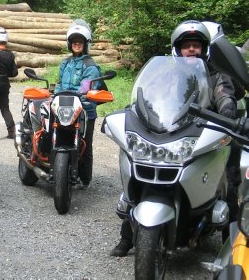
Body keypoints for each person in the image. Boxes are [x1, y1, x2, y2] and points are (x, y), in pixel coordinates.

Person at [110, 20, 239, 257]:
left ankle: (230, 244)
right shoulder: (168, 73)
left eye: (196, 45)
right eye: (186, 46)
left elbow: (225, 97)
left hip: (203, 134)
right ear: (177, 49)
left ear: (204, 49)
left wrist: (228, 115)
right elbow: (149, 95)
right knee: (143, 177)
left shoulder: (217, 74)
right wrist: (135, 110)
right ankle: (127, 236)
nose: (191, 49)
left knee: (231, 182)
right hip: (171, 132)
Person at [55, 19, 101, 187]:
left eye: (80, 42)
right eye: (74, 42)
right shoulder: (65, 63)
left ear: (85, 44)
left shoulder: (90, 65)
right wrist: (55, 95)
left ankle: (85, 178)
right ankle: (57, 167)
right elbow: (59, 83)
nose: (77, 44)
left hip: (84, 109)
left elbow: (85, 88)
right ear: (70, 44)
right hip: (64, 106)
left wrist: (76, 97)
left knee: (85, 144)